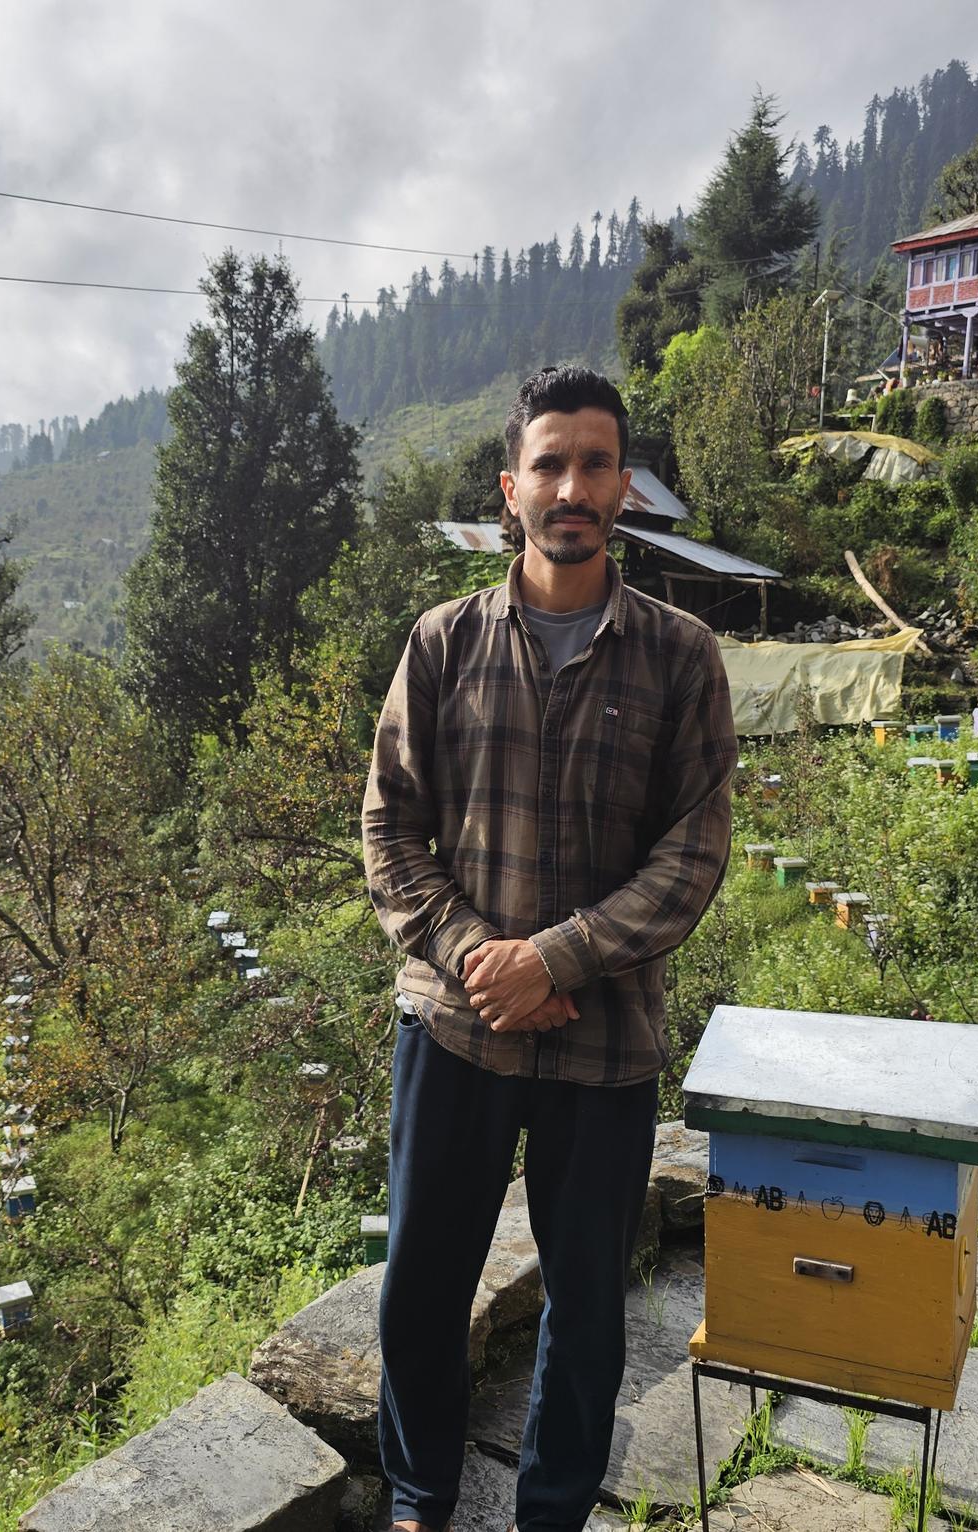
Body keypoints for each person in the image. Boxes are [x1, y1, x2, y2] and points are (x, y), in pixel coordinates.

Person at [362, 366, 738, 1532]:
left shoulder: (680, 657)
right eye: (549, 463)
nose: (570, 486)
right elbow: (389, 823)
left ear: (625, 486)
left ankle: (554, 1509)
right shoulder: (442, 645)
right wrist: (484, 955)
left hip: (604, 1040)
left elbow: (693, 853)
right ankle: (421, 1493)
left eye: (593, 463)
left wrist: (557, 958)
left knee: (587, 1305)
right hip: (455, 1027)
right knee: (422, 1283)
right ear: (510, 485)